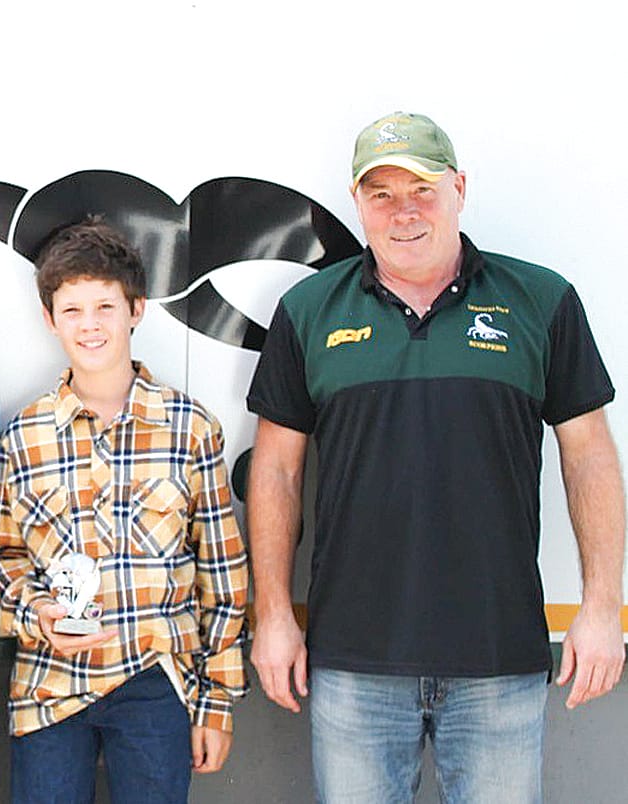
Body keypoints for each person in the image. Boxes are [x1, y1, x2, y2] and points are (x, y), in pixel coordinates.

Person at [247, 111, 625, 803]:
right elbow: (276, 472)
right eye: (382, 193)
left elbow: (590, 459)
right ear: (358, 203)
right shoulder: (308, 312)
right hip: (355, 661)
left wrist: (602, 607)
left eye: (421, 188)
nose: (404, 212)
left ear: (458, 188)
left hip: (498, 658)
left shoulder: (541, 302)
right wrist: (273, 615)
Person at [0, 219, 247, 803]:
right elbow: (1, 556)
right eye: (72, 310)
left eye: (105, 305)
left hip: (155, 681)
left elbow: (221, 575)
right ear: (50, 320)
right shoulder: (24, 435)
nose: (90, 324)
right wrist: (39, 610)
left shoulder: (189, 428)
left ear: (137, 309)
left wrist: (217, 702)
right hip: (50, 685)